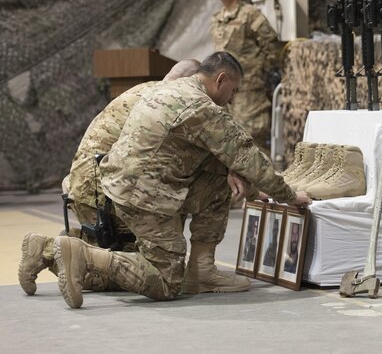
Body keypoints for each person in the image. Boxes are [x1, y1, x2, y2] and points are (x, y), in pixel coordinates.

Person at [52, 51, 311, 308]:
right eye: (233, 91)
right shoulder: (200, 107)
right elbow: (246, 154)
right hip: (142, 196)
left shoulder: (166, 90)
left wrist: (253, 189)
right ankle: (84, 256)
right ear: (221, 79)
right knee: (166, 282)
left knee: (218, 182)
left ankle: (201, 272)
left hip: (118, 186)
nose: (231, 99)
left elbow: (221, 158)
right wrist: (289, 196)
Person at [18, 59, 201, 296]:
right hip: (105, 193)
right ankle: (50, 249)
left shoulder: (141, 90)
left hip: (80, 186)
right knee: (141, 269)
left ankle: (46, 248)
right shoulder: (173, 105)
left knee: (110, 257)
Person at [210, 0, 279, 153]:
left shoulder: (250, 15)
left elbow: (271, 44)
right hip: (222, 90)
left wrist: (258, 70)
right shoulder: (216, 19)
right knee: (227, 139)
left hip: (248, 90)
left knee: (252, 138)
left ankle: (263, 181)